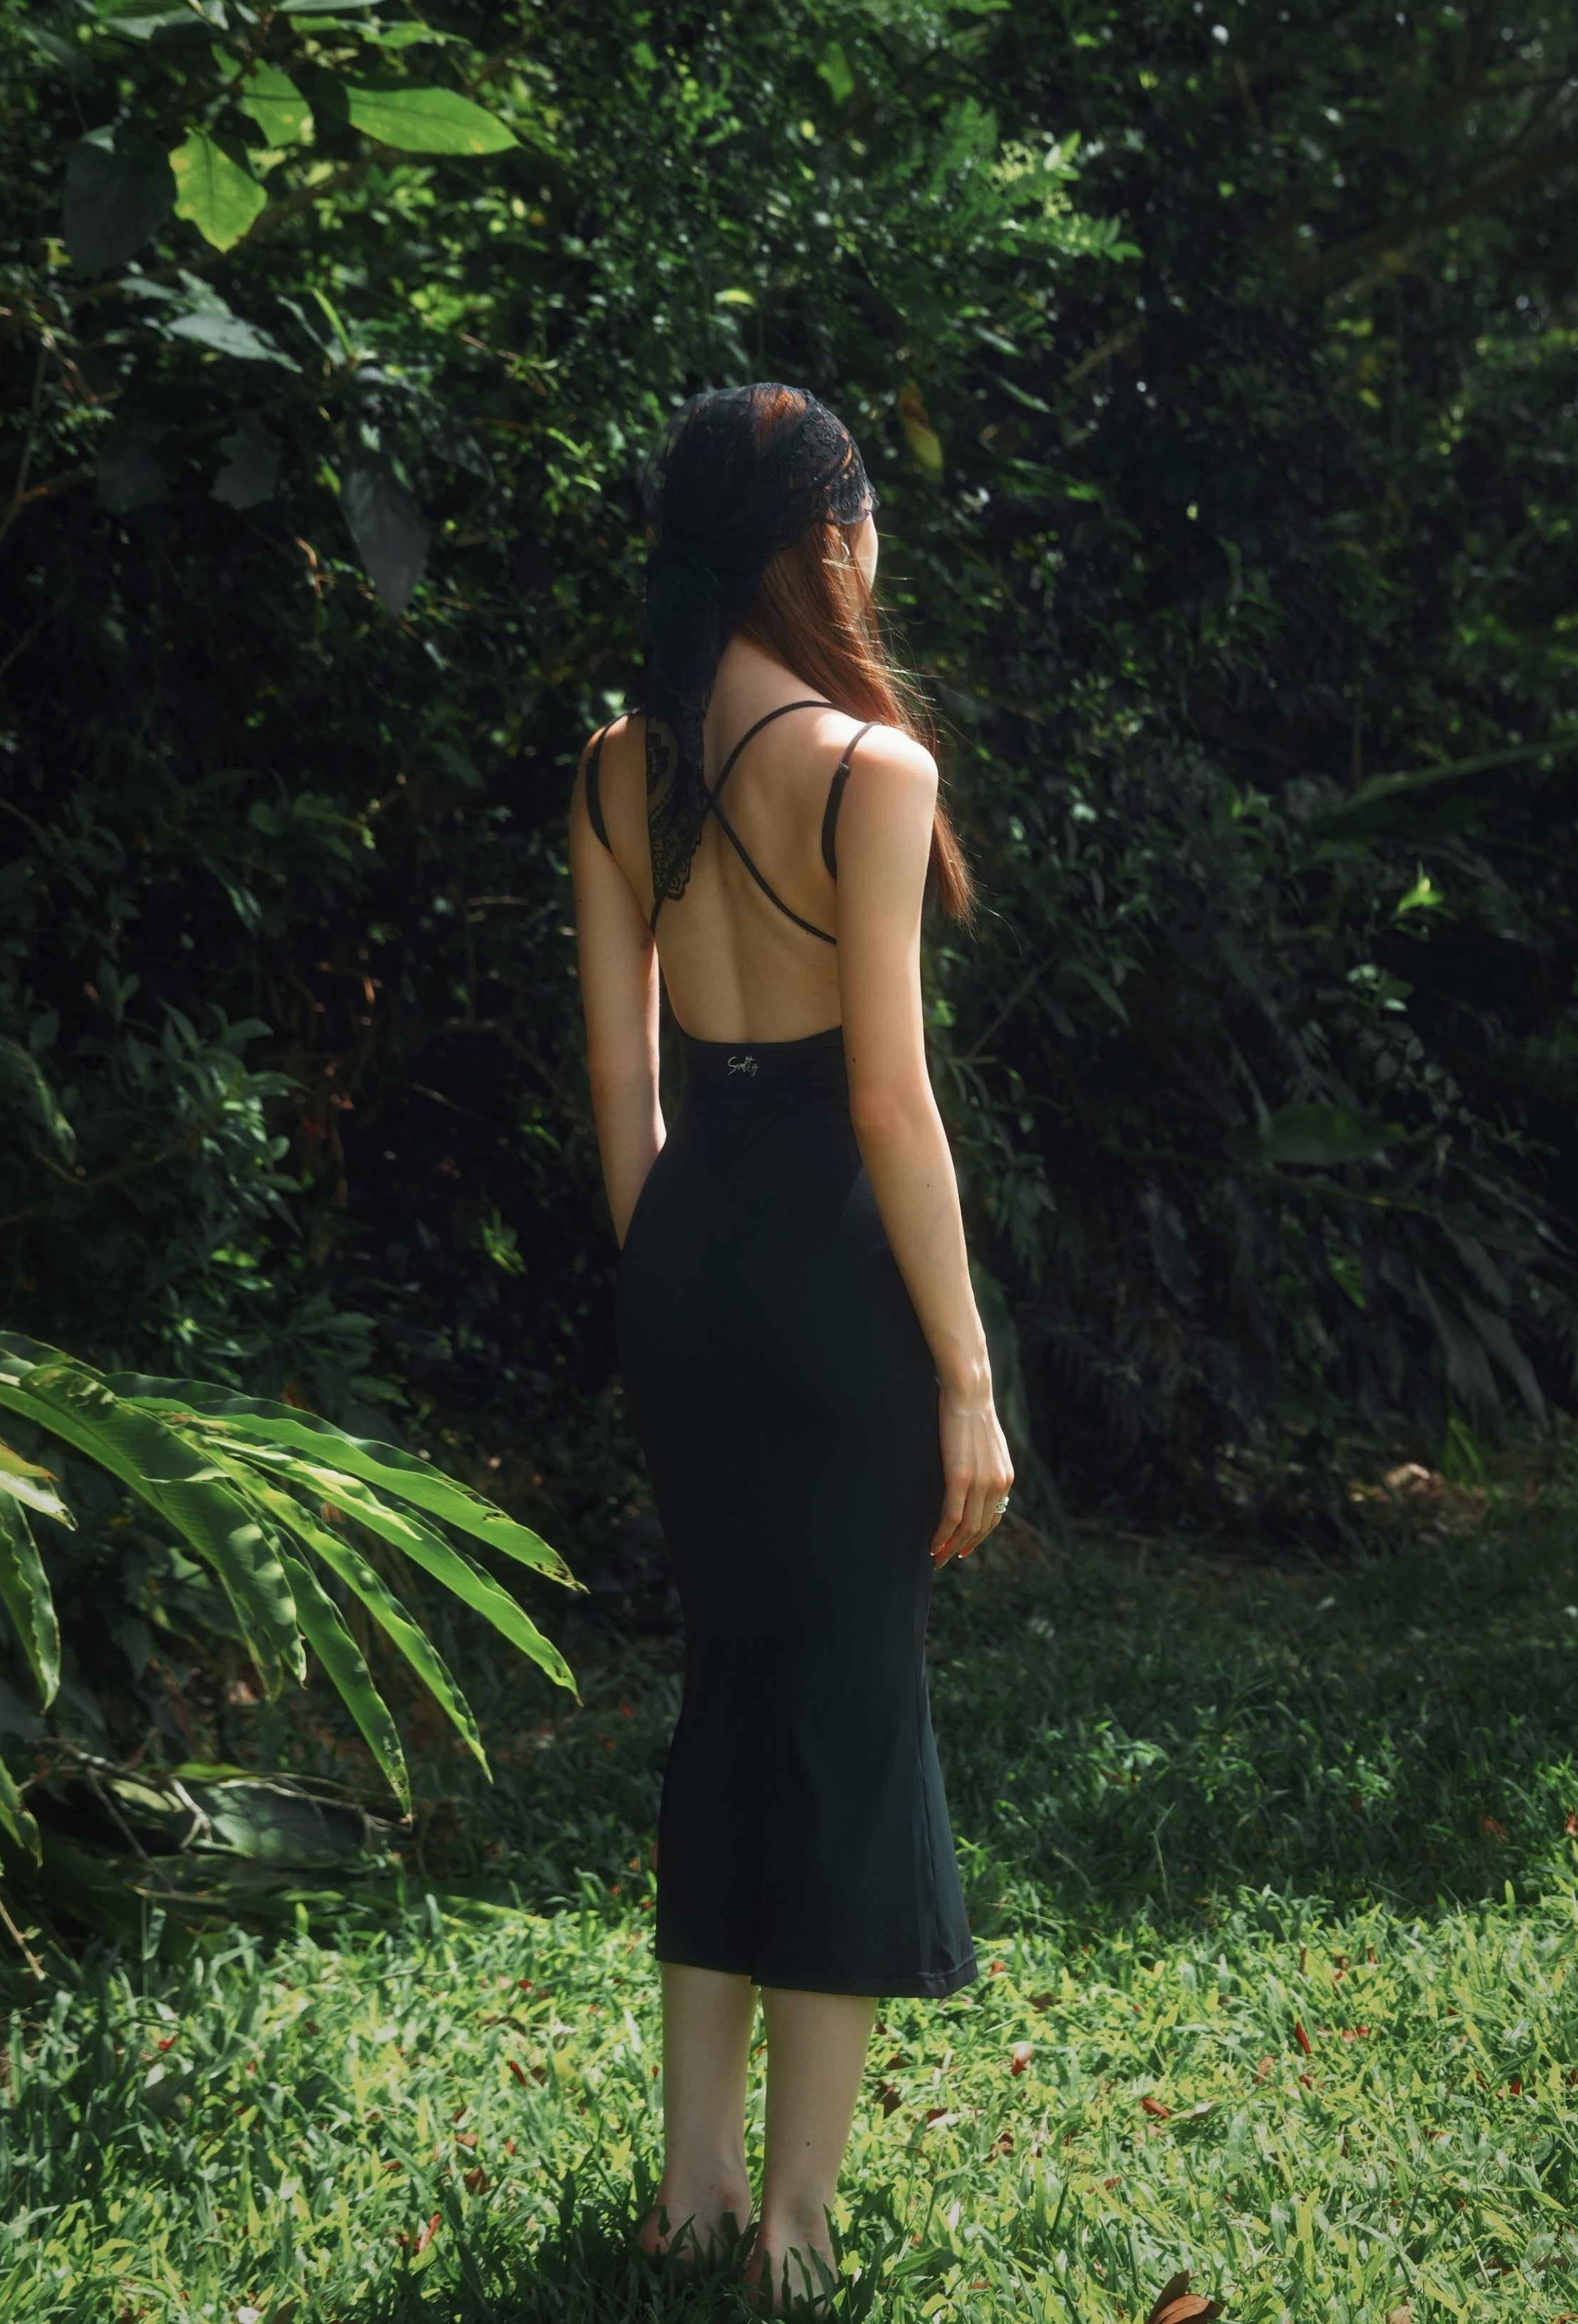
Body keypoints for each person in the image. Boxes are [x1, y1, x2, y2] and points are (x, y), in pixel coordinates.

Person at [570, 382, 1013, 2315]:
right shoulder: (868, 767)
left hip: (685, 1260)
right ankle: (792, 2230)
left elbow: (623, 1079)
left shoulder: (620, 766)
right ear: (822, 540)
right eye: (865, 519)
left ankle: (690, 2192)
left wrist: (677, 1282)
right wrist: (967, 1377)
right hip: (838, 1273)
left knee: (731, 1708)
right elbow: (894, 1106)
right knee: (848, 1721)